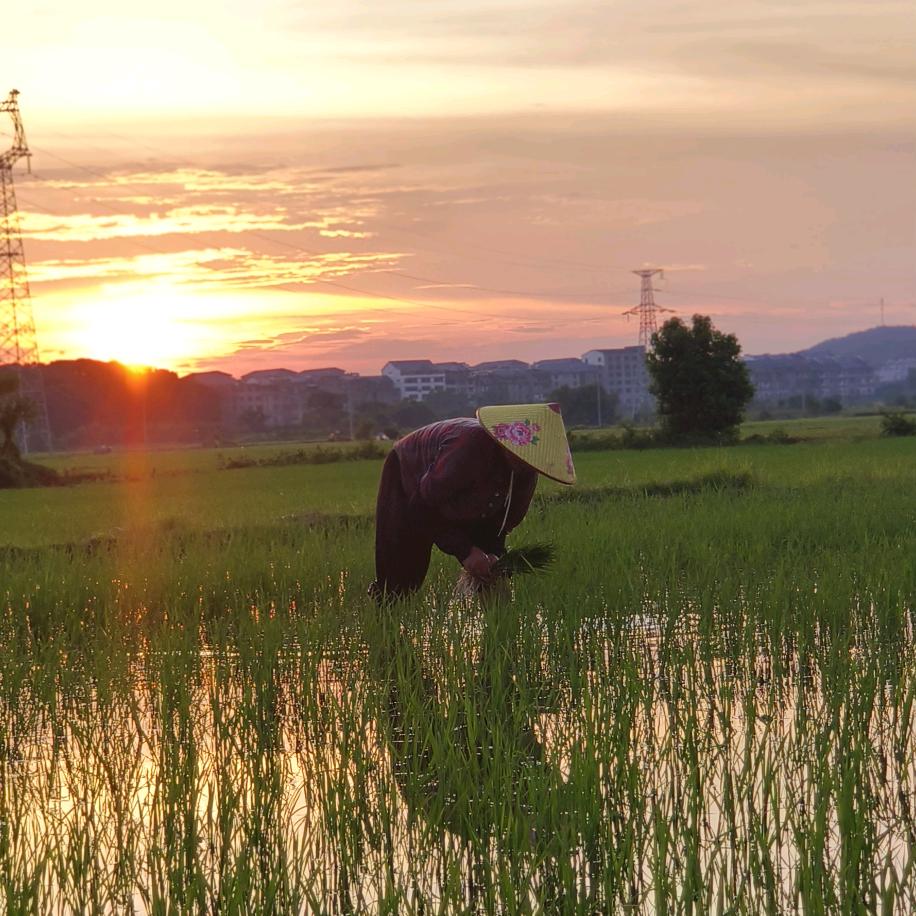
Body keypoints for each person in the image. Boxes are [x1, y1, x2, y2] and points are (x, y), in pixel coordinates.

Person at [370, 403, 576, 601]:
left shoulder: (525, 473)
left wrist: (494, 554)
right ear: (507, 444)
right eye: (522, 456)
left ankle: (496, 626)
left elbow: (500, 523)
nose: (525, 464)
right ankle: (387, 622)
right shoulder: (469, 449)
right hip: (409, 471)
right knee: (403, 573)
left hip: (456, 496)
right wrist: (465, 551)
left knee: (490, 573)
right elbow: (421, 507)